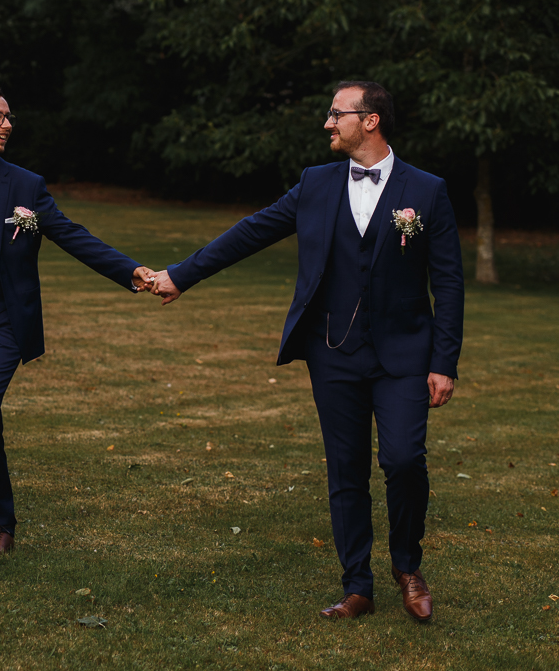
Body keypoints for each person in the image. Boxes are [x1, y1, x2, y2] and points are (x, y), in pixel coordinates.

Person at [150, 81, 464, 621]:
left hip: (405, 355)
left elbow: (450, 282)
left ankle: (407, 565)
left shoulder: (428, 190)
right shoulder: (315, 184)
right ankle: (357, 585)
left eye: (336, 114)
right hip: (333, 352)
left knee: (404, 460)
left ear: (370, 121)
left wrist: (443, 361)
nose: (327, 123)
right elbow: (252, 232)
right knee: (346, 468)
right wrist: (182, 275)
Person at [0, 84, 155, 569]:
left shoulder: (26, 186)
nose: (6, 125)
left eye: (9, 117)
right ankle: (2, 524)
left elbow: (72, 236)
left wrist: (130, 270)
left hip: (4, 324)